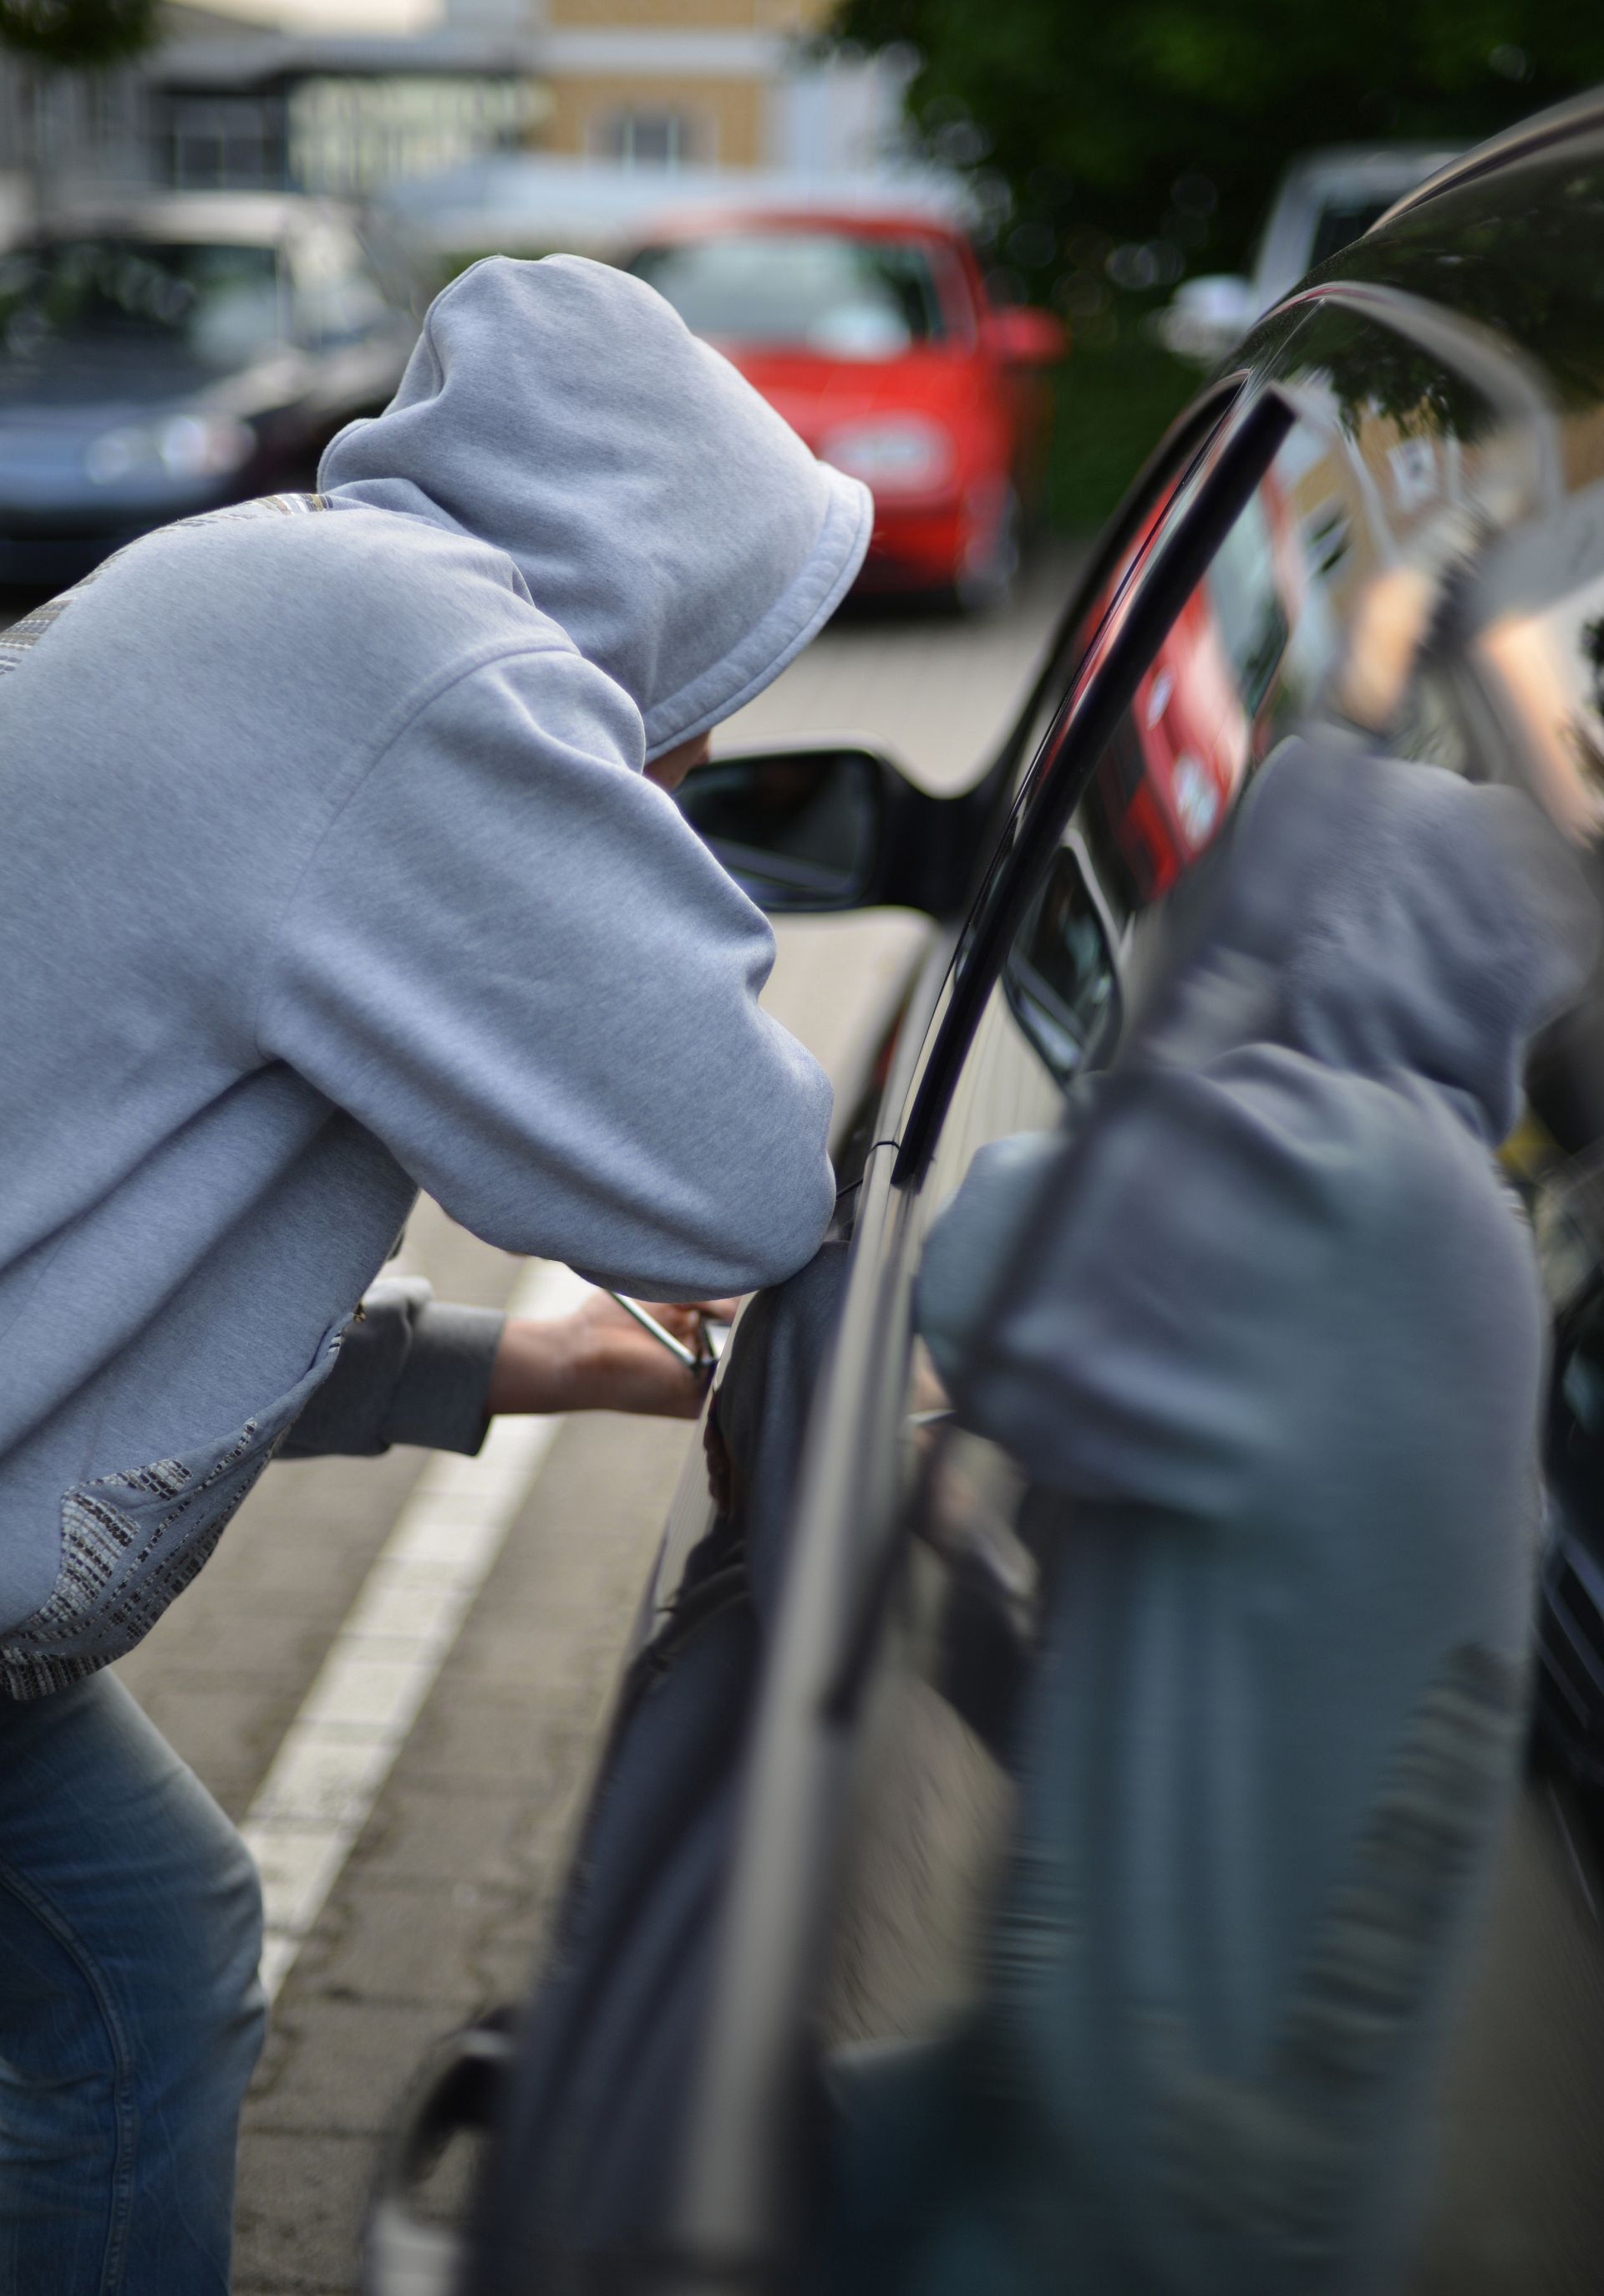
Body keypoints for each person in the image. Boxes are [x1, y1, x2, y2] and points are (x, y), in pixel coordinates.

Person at [0, 253, 871, 2293]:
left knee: (149, 1939)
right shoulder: (422, 676)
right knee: (129, 1987)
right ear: (647, 556)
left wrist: (509, 1363)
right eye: (726, 662)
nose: (709, 735)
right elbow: (735, 1173)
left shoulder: (278, 590)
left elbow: (100, 1257)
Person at [831, 730, 1596, 2294]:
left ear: (1311, 928)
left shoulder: (1364, 1191)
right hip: (1155, 2104)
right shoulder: (1447, 1238)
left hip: (1163, 2185)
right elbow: (1182, 1694)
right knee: (756, 2172)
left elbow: (987, 1256)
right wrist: (963, 1578)